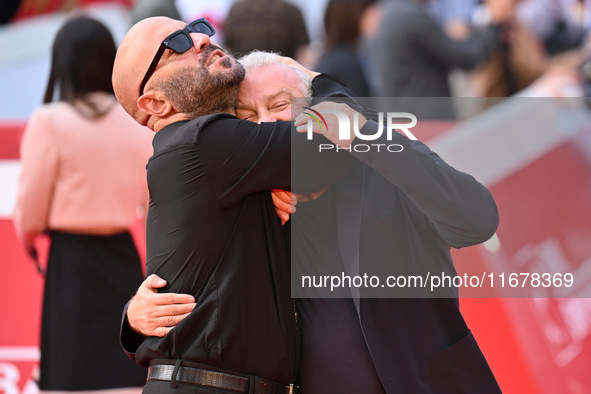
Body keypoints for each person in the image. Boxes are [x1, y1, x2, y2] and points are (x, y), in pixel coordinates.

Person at [123, 50, 502, 393]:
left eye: (281, 104)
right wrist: (134, 316)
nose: (268, 124)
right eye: (247, 117)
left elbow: (476, 220)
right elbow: (195, 286)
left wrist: (361, 133)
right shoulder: (252, 213)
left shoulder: (382, 166)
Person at [111, 17, 355, 394]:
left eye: (198, 26)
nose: (201, 39)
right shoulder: (204, 143)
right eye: (176, 43)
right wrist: (315, 79)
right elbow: (335, 143)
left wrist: (131, 320)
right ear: (156, 102)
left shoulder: (204, 158)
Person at [13, 15, 152, 392]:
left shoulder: (49, 121)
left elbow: (30, 208)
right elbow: (151, 198)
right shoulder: (137, 122)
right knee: (129, 374)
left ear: (62, 63)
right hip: (123, 259)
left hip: (71, 262)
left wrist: (28, 236)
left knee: (69, 379)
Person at [368, 0, 514, 97]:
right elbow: (465, 57)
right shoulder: (410, 16)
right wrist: (493, 23)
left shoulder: (387, 13)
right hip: (428, 117)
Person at [314, 0, 377, 97]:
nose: (378, 17)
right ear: (354, 15)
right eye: (371, 11)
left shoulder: (334, 56)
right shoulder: (346, 63)